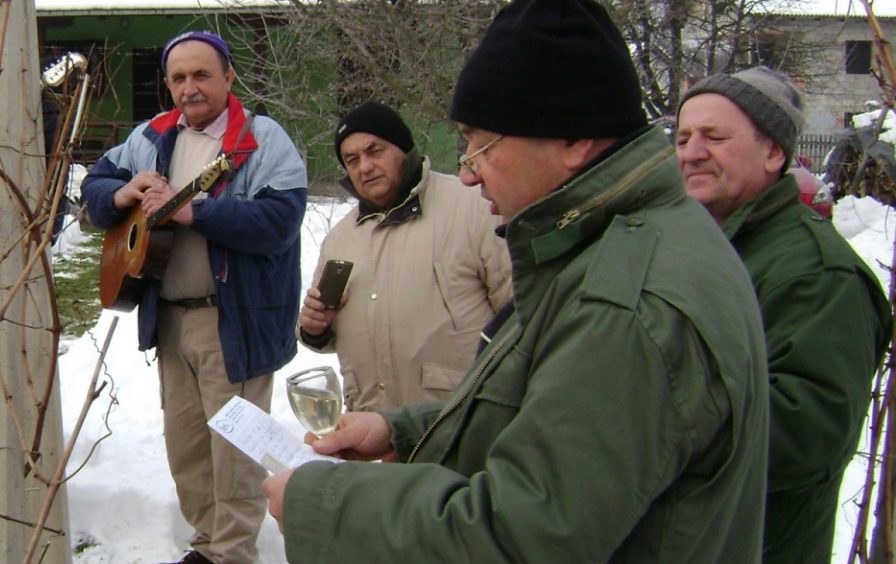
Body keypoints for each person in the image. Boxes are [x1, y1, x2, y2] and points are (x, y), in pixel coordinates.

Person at [263, 0, 771, 561]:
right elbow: (548, 413)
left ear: (574, 138)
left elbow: (524, 534)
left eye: (482, 144)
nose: (468, 170)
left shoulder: (627, 302)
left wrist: (324, 506)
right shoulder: (617, 243)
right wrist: (405, 432)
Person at [81, 30, 307, 564]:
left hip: (233, 319)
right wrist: (121, 192)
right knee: (186, 447)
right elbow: (94, 186)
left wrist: (193, 212)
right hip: (170, 318)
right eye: (179, 77)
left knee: (235, 452)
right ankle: (206, 545)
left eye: (202, 74)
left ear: (229, 77)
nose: (190, 87)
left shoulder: (261, 138)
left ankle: (233, 553)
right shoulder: (151, 136)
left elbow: (280, 221)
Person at [675, 66, 892, 562]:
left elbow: (805, 435)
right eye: (683, 138)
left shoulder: (818, 274)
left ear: (774, 152)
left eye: (714, 137)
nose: (691, 152)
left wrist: (648, 415)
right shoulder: (705, 249)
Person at [299, 101, 509, 412]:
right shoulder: (340, 239)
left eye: (374, 151)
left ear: (404, 148)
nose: (364, 167)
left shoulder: (474, 208)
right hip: (372, 422)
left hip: (461, 418)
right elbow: (328, 329)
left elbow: (520, 315)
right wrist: (315, 328)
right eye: (352, 160)